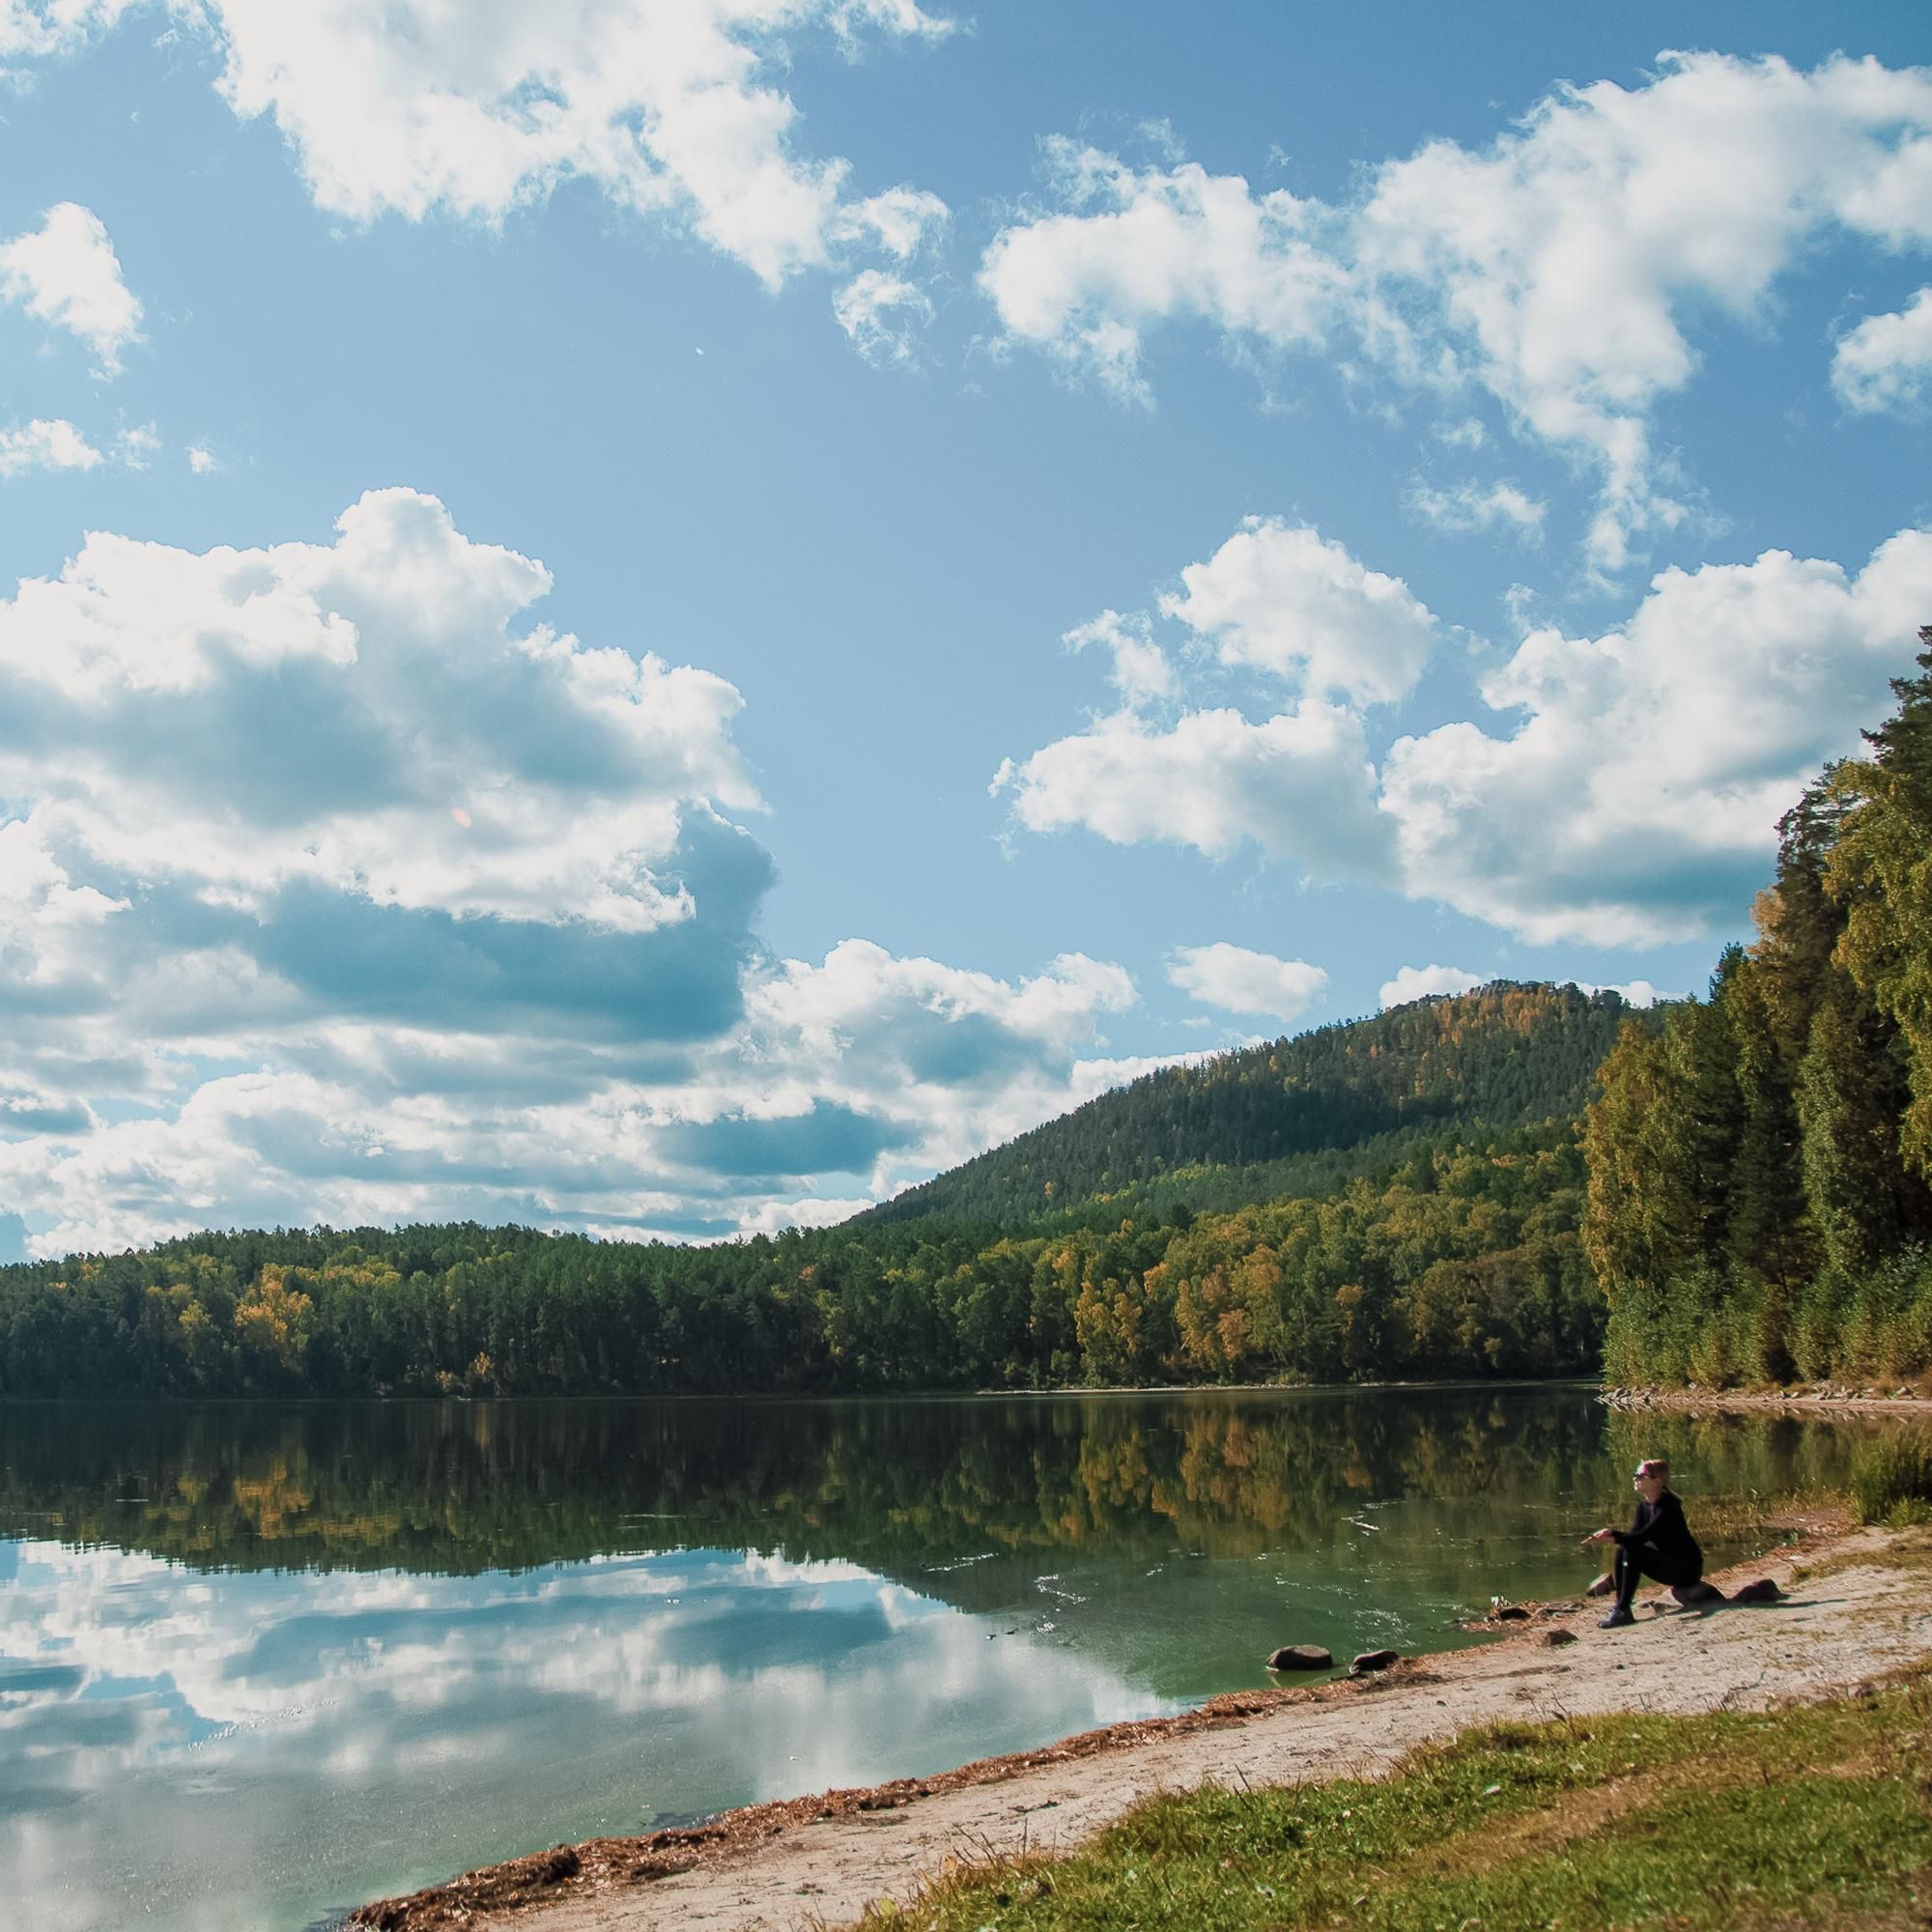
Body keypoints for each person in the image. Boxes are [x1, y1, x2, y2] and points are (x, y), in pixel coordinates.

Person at [1581, 1457, 1703, 1629]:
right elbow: (1635, 1536)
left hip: (1686, 1570)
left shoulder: (1668, 1507)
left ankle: (1623, 1609)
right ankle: (1620, 1607)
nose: (1635, 1478)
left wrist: (1613, 1538)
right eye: (1635, 1475)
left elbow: (1643, 1537)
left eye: (1640, 1475)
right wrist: (1611, 1533)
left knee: (1631, 1550)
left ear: (1657, 1481)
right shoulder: (1644, 1507)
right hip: (1670, 1564)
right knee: (1625, 1547)